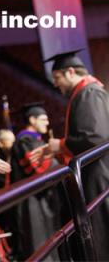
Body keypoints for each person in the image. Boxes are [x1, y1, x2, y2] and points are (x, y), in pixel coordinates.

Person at [44, 49, 109, 260]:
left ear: (71, 72)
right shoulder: (88, 92)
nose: (56, 84)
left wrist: (60, 145)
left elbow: (96, 137)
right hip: (97, 173)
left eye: (57, 77)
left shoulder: (89, 93)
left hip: (98, 175)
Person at [10, 103, 60, 261]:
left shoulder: (36, 141)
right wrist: (55, 156)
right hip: (32, 202)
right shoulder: (24, 141)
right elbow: (37, 169)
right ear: (32, 119)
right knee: (39, 246)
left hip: (44, 199)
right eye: (43, 119)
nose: (47, 123)